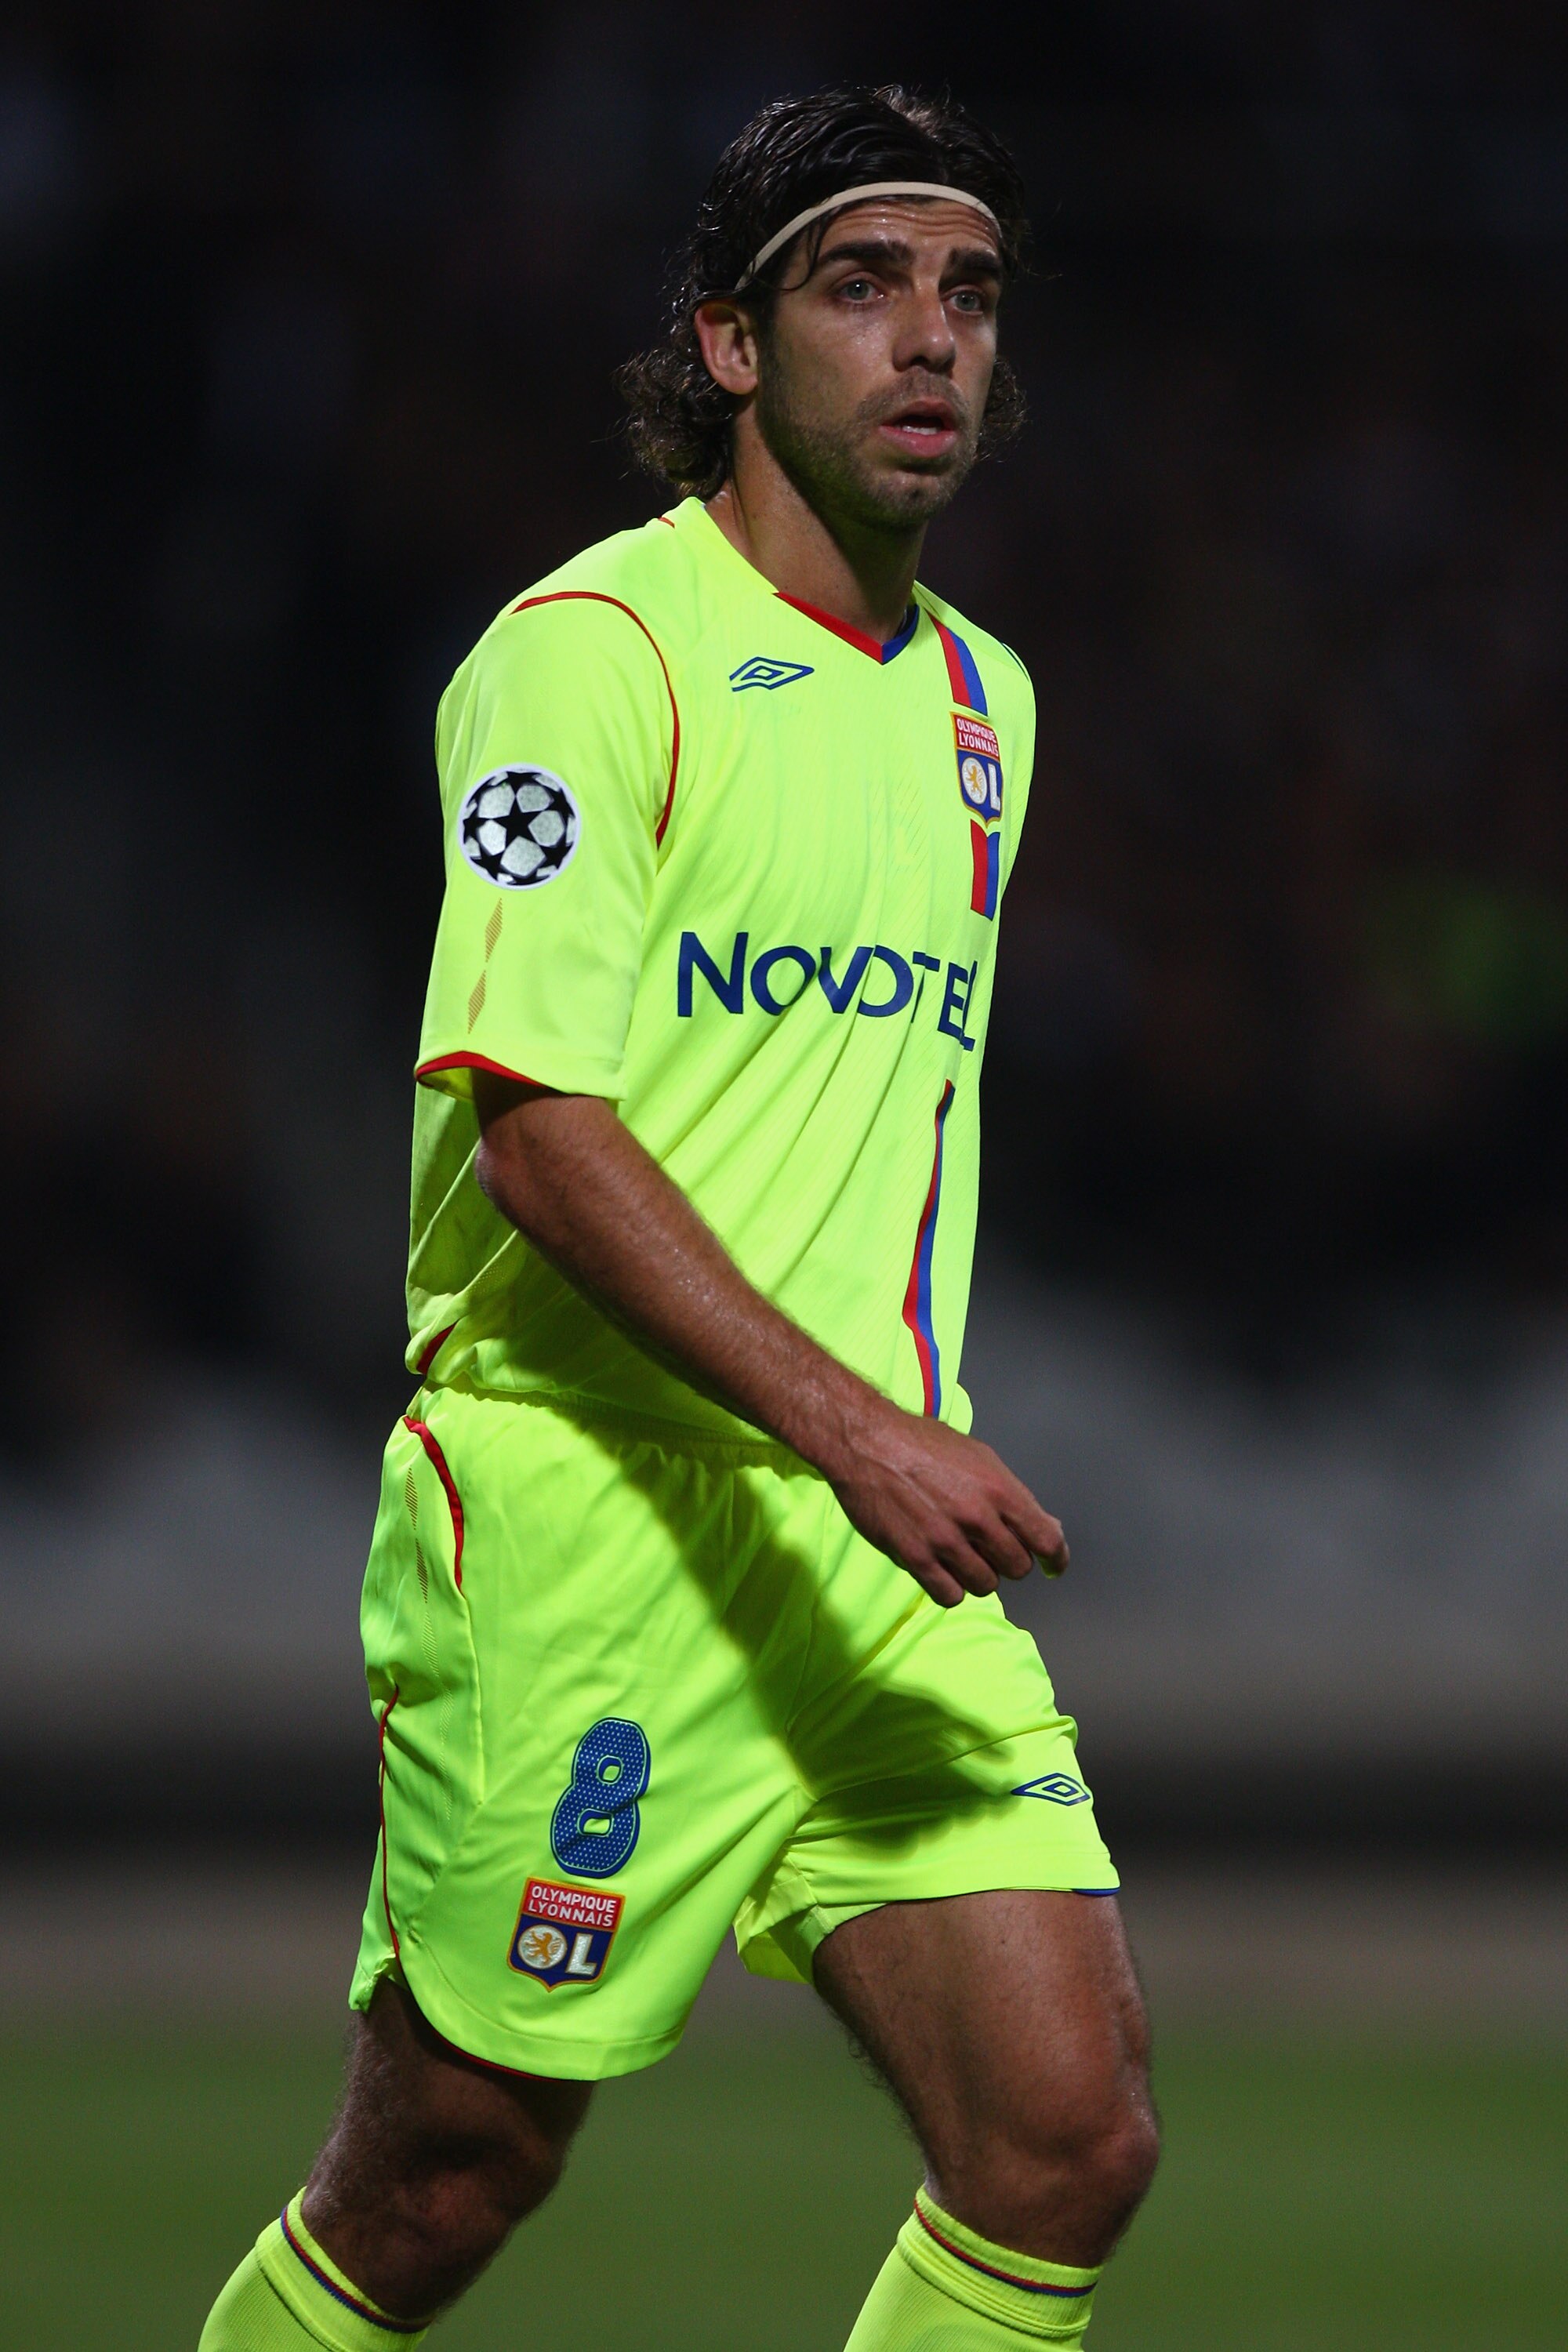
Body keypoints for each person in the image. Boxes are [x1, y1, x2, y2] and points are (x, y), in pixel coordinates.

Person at [200, 82, 1157, 2352]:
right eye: (861, 285)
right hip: (584, 1522)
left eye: (970, 292)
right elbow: (536, 1127)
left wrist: (867, 1451)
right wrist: (866, 1428)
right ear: (728, 345)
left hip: (863, 1547)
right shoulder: (587, 658)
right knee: (448, 2178)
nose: (932, 342)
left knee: (1065, 2138)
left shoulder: (984, 709)